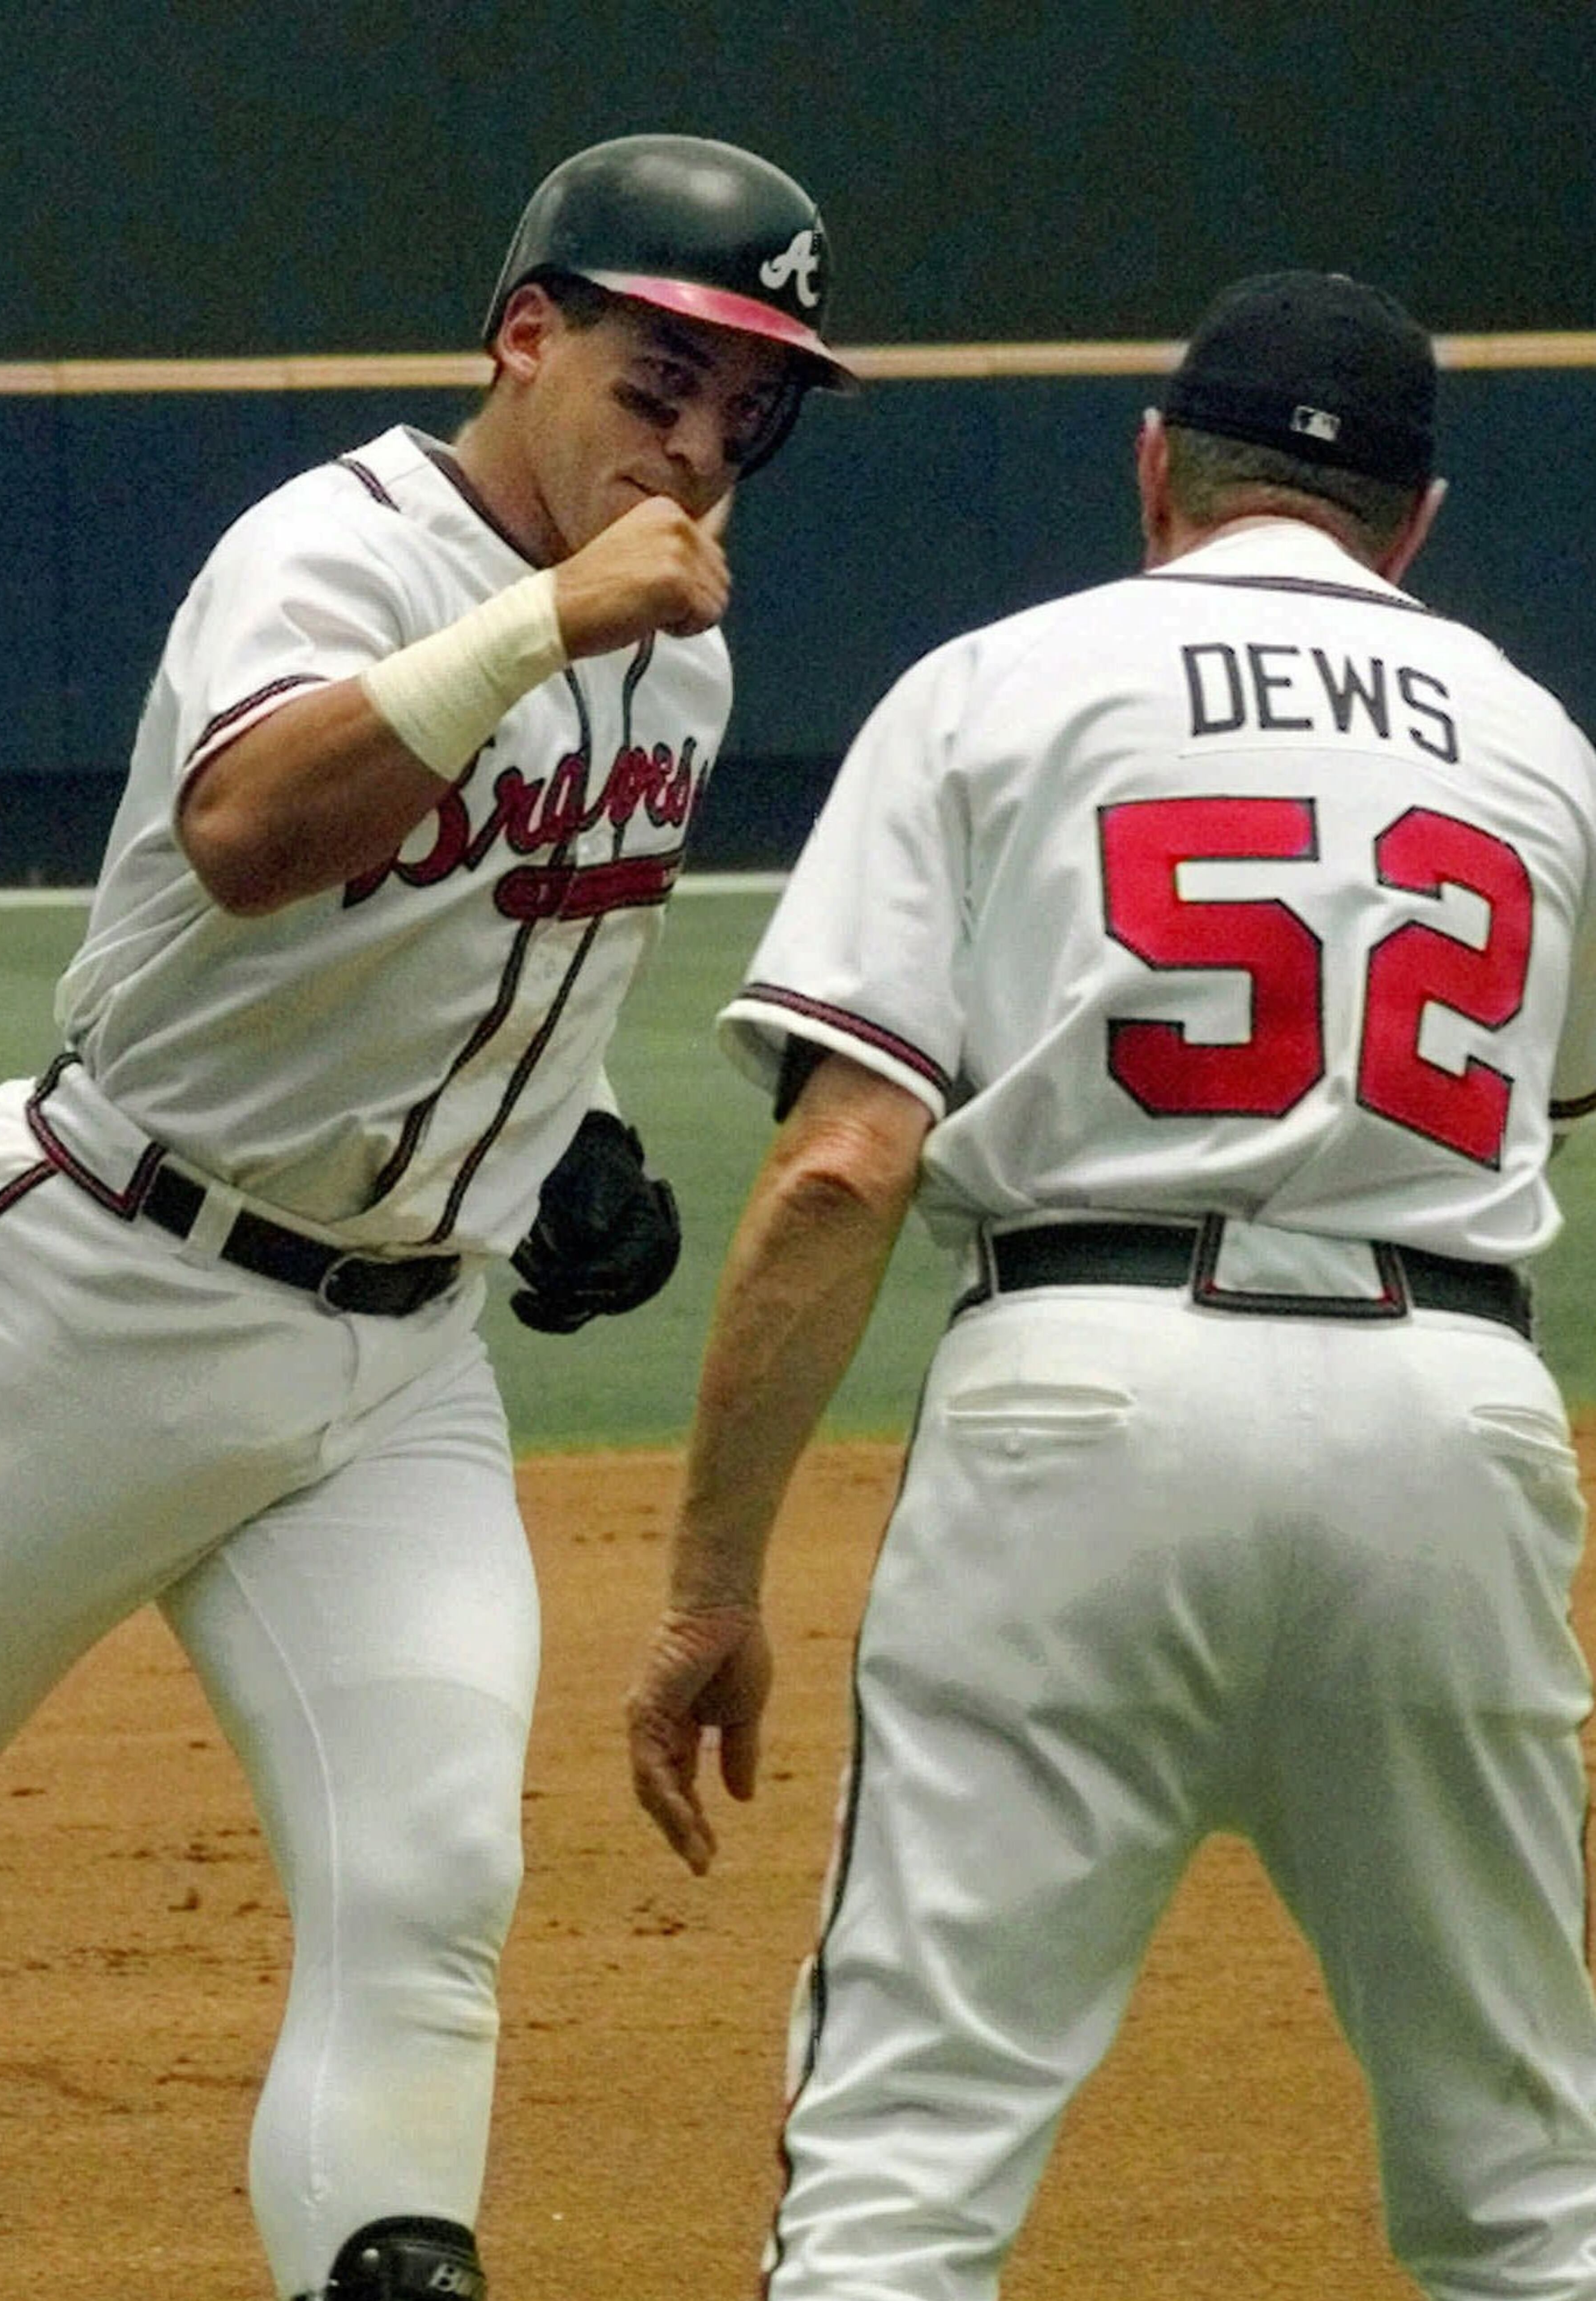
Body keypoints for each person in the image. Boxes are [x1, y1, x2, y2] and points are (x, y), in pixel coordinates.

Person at [0, 133, 852, 2301]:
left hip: (393, 1368)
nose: (702, 434)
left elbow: (505, 932)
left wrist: (572, 1134)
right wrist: (538, 621)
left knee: (428, 1882)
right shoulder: (339, 548)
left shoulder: (668, 648)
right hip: (86, 1288)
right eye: (658, 371)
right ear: (527, 335)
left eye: (750, 398)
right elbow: (244, 832)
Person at [626, 269, 1596, 2300]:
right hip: (1455, 1420)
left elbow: (836, 1172)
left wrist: (714, 1584)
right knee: (1530, 2196)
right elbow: (1536, 1105)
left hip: (1086, 1406)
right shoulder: (1538, 741)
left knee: (900, 2183)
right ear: (1412, 525)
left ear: (1156, 469)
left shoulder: (997, 684)